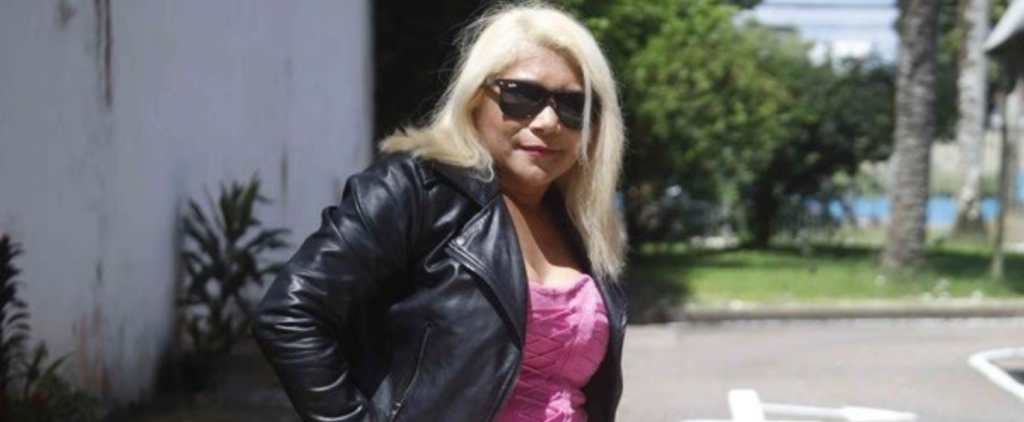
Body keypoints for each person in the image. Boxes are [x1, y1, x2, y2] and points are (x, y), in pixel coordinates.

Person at [251, 3, 628, 422]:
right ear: (475, 98)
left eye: (574, 105)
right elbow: (290, 314)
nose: (547, 122)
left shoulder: (581, 222)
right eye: (522, 96)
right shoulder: (417, 190)